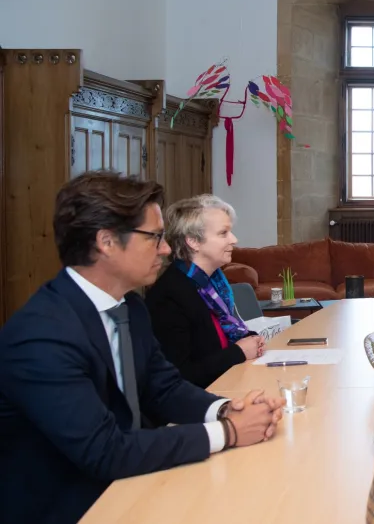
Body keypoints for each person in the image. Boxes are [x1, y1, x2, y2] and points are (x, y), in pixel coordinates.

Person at [0, 171, 285, 524]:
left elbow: (164, 388)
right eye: (155, 238)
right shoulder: (41, 335)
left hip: (134, 481)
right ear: (106, 242)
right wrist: (229, 432)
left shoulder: (129, 306)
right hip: (72, 506)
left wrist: (230, 409)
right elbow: (102, 451)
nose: (166, 249)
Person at [145, 194, 264, 388]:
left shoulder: (214, 283)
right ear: (193, 241)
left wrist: (249, 338)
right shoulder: (170, 297)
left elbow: (221, 339)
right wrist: (239, 352)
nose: (234, 239)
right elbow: (181, 375)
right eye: (223, 233)